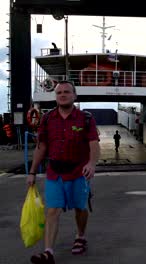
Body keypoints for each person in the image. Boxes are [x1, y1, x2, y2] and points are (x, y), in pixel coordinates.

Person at [26, 80, 100, 264]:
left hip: (78, 171)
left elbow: (94, 144)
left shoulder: (86, 118)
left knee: (80, 208)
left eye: (67, 92)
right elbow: (41, 147)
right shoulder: (47, 119)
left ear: (74, 96)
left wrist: (91, 164)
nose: (63, 95)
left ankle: (80, 236)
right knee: (52, 210)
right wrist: (32, 172)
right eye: (59, 93)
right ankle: (48, 252)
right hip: (55, 172)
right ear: (56, 96)